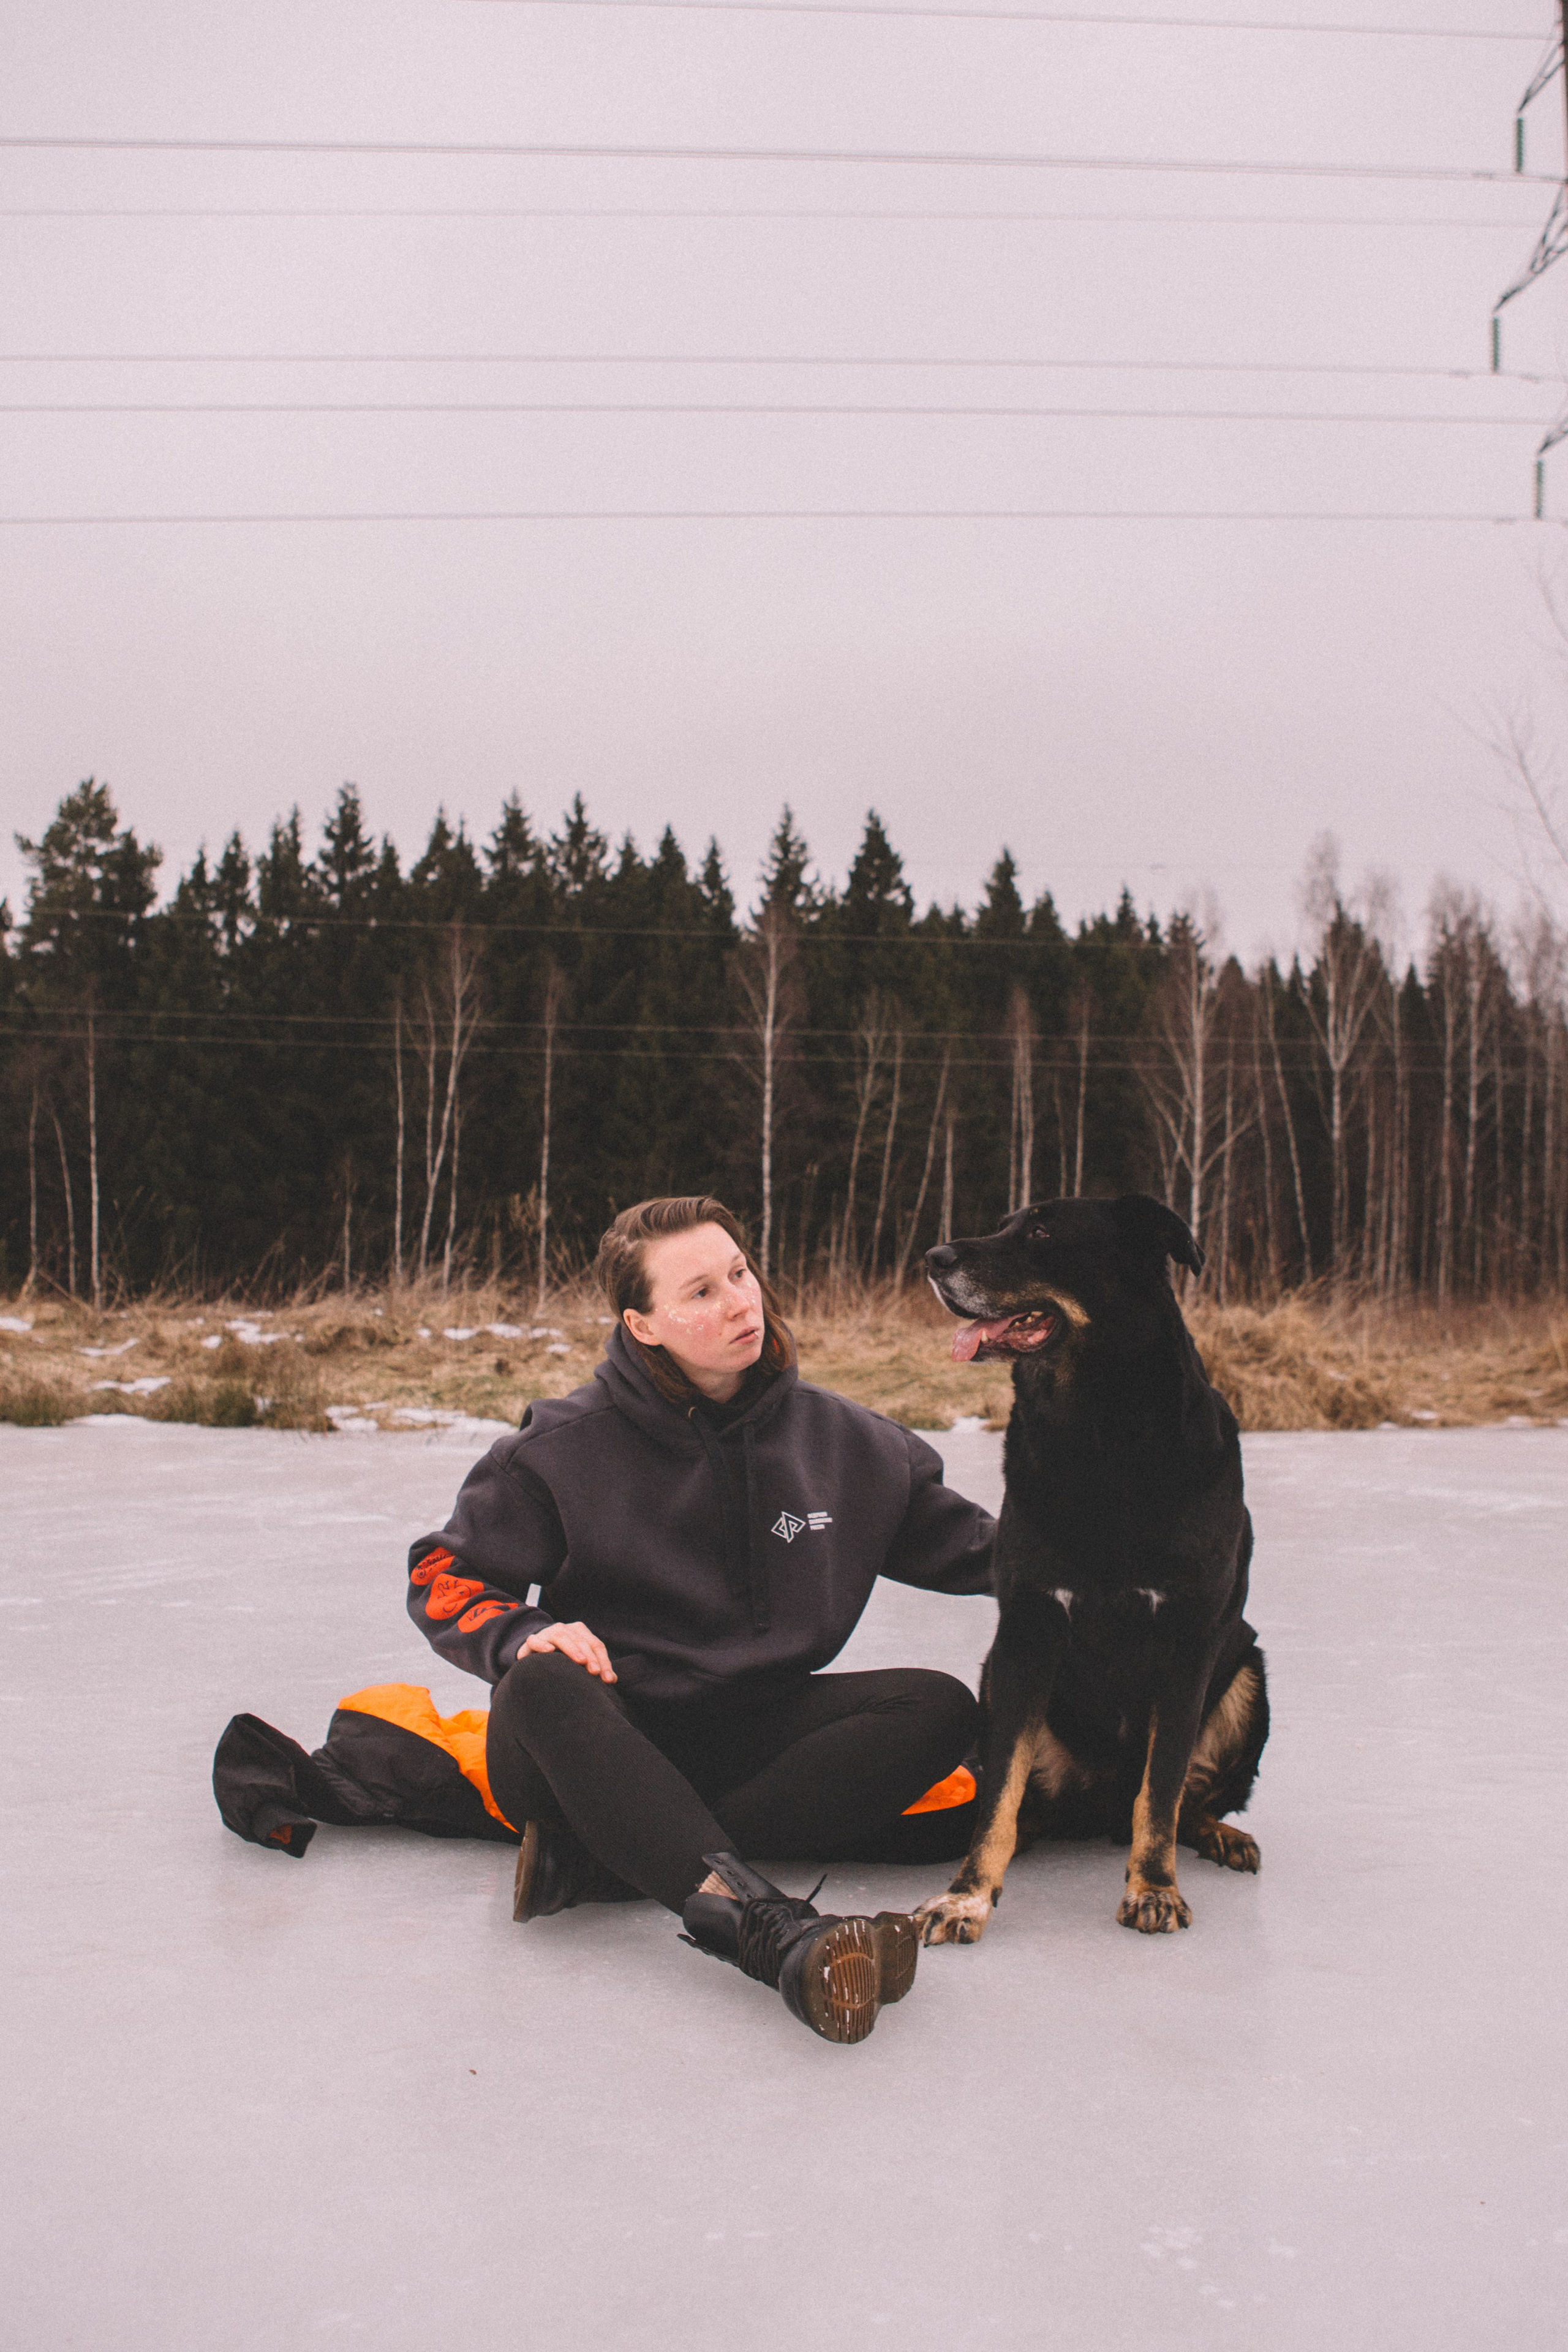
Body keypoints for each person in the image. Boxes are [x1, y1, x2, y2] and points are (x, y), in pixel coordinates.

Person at [405, 1194, 995, 2043]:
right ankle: (769, 1931)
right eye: (701, 1293)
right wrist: (522, 1633)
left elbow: (980, 1550)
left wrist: (1110, 1564)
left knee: (936, 1709)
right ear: (643, 1325)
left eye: (739, 1273)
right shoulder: (563, 1446)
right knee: (539, 1679)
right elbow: (441, 1571)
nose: (740, 1303)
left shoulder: (845, 1442)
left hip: (746, 1730)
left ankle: (614, 1861)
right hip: (595, 1740)